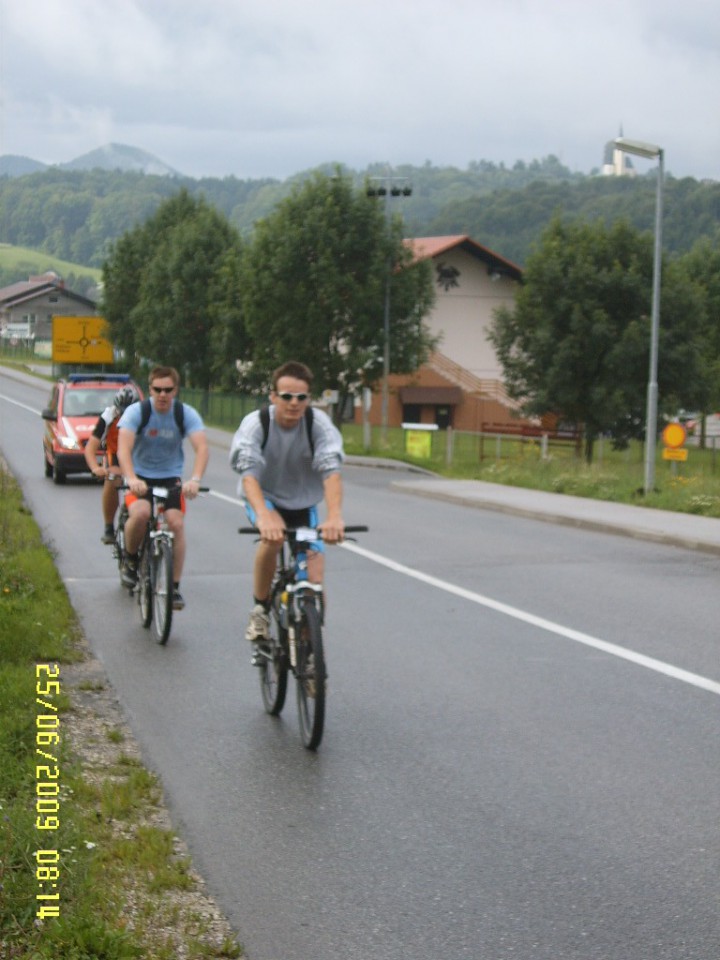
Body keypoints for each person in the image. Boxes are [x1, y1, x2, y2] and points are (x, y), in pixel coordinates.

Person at [229, 360, 345, 643]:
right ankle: (260, 609)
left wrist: (334, 517)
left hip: (304, 504)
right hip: (265, 498)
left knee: (314, 581)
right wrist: (264, 516)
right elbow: (249, 475)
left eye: (301, 397)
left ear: (308, 399)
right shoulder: (257, 424)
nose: (294, 403)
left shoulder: (318, 425)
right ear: (273, 396)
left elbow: (331, 474)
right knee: (274, 539)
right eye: (286, 396)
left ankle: (309, 650)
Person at [116, 365, 209, 611]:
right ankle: (131, 560)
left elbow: (201, 448)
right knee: (142, 513)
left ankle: (174, 587)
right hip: (141, 477)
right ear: (150, 389)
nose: (163, 395)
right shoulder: (138, 412)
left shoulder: (184, 413)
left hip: (170, 478)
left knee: (176, 523)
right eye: (157, 390)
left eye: (168, 390)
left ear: (175, 390)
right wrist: (131, 477)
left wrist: (195, 479)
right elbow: (123, 449)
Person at [84, 384, 140, 543]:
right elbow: (91, 447)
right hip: (115, 453)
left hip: (136, 455)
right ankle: (109, 526)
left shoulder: (146, 415)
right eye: (121, 412)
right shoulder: (108, 416)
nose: (124, 417)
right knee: (112, 478)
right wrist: (95, 467)